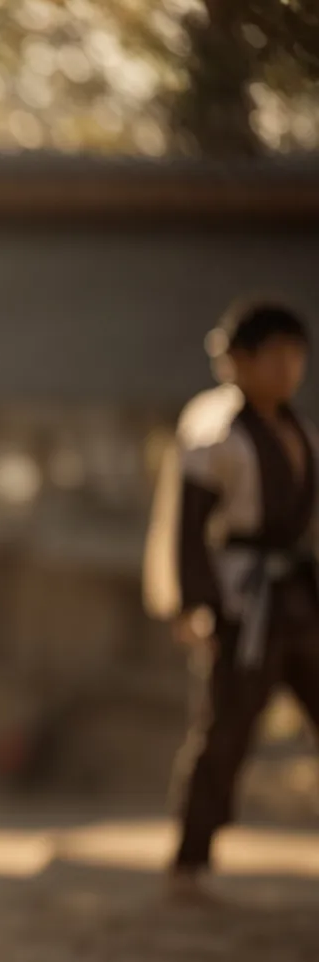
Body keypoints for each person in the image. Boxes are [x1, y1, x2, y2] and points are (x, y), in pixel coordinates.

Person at [143, 299, 315, 905]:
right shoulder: (217, 436)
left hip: (300, 598)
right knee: (228, 730)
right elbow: (192, 530)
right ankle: (190, 860)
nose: (288, 370)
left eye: (296, 357)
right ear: (238, 363)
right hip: (246, 603)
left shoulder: (299, 431)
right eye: (274, 357)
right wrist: (197, 605)